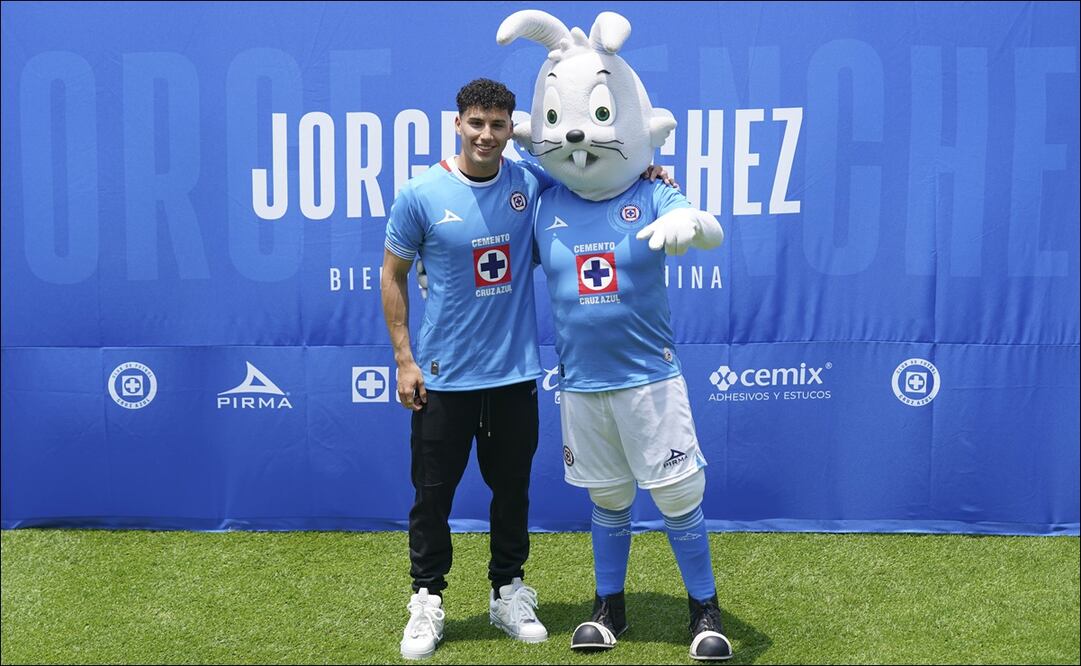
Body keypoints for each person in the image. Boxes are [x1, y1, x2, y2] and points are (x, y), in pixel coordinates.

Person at [497, 10, 733, 661]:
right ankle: (609, 609)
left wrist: (693, 223)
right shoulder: (545, 201)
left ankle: (704, 610)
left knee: (678, 494)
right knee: (607, 496)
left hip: (648, 379)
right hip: (581, 383)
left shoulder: (651, 192)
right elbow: (496, 197)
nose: (578, 134)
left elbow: (705, 226)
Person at [381, 78, 552, 661]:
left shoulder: (529, 183)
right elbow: (392, 275)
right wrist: (404, 360)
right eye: (476, 123)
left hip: (513, 377)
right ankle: (427, 599)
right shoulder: (420, 193)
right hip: (443, 378)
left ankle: (508, 591)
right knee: (432, 498)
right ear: (458, 123)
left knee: (512, 493)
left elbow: (596, 185)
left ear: (511, 128)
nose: (486, 135)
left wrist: (649, 175)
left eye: (498, 125)